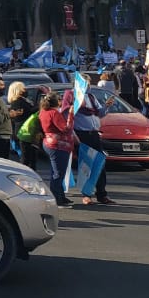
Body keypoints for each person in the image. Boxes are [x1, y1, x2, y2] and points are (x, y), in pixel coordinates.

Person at [62, 76, 116, 206]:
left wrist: (106, 106)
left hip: (94, 134)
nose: (89, 86)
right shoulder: (71, 95)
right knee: (86, 165)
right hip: (82, 134)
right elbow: (65, 113)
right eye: (86, 83)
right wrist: (74, 106)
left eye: (89, 84)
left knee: (100, 164)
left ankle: (102, 194)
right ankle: (86, 195)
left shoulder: (91, 97)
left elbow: (99, 113)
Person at [39, 91, 75, 207]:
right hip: (58, 144)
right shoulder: (54, 113)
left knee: (55, 171)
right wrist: (70, 115)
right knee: (58, 173)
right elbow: (66, 129)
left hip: (49, 142)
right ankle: (56, 198)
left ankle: (60, 196)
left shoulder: (44, 112)